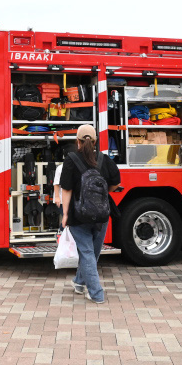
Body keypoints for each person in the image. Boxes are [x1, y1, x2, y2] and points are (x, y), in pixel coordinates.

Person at [60, 124, 120, 304]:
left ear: (77, 141)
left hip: (79, 215)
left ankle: (96, 293)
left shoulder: (71, 159)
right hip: (102, 214)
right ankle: (79, 282)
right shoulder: (104, 159)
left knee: (87, 253)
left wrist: (64, 214)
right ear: (94, 141)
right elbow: (116, 182)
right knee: (91, 254)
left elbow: (66, 188)